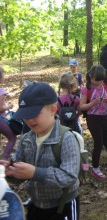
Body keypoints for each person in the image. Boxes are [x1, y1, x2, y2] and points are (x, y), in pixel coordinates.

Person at [1, 82, 80, 220]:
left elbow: (69, 176)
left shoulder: (66, 139)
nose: (29, 120)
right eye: (25, 115)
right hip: (37, 204)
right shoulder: (26, 139)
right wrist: (11, 172)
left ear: (53, 110)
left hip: (62, 205)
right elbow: (22, 172)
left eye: (35, 114)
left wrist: (36, 172)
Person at [80, 65, 107, 179]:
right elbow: (81, 106)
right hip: (93, 118)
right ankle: (95, 167)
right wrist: (92, 103)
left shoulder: (106, 88)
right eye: (96, 80)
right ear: (90, 77)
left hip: (105, 117)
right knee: (98, 143)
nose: (98, 83)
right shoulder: (87, 89)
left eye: (101, 80)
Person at [0, 67, 16, 160]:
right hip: (1, 120)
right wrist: (9, 107)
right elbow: (1, 108)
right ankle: (4, 160)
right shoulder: (1, 91)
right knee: (12, 138)